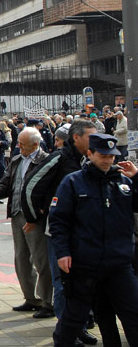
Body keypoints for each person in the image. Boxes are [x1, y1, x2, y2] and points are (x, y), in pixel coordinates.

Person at [50, 134, 138, 345]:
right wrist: (62, 253)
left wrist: (136, 178)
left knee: (133, 314)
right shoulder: (73, 182)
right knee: (73, 319)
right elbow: (59, 222)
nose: (108, 160)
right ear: (90, 154)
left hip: (119, 264)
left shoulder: (124, 182)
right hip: (85, 264)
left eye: (112, 156)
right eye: (103, 155)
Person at [22, 119, 99, 346]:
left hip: (85, 233)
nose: (95, 141)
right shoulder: (58, 158)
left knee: (83, 283)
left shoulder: (89, 160)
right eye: (90, 136)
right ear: (76, 138)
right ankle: (67, 331)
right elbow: (31, 186)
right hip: (60, 231)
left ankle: (80, 327)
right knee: (62, 282)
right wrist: (34, 217)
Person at [0, 128, 53, 318]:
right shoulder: (17, 160)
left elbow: (49, 190)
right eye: (18, 143)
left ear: (36, 144)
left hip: (35, 217)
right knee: (21, 260)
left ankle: (48, 302)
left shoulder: (46, 161)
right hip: (17, 214)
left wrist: (42, 210)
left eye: (22, 145)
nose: (19, 147)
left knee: (41, 260)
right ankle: (31, 298)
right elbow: (6, 184)